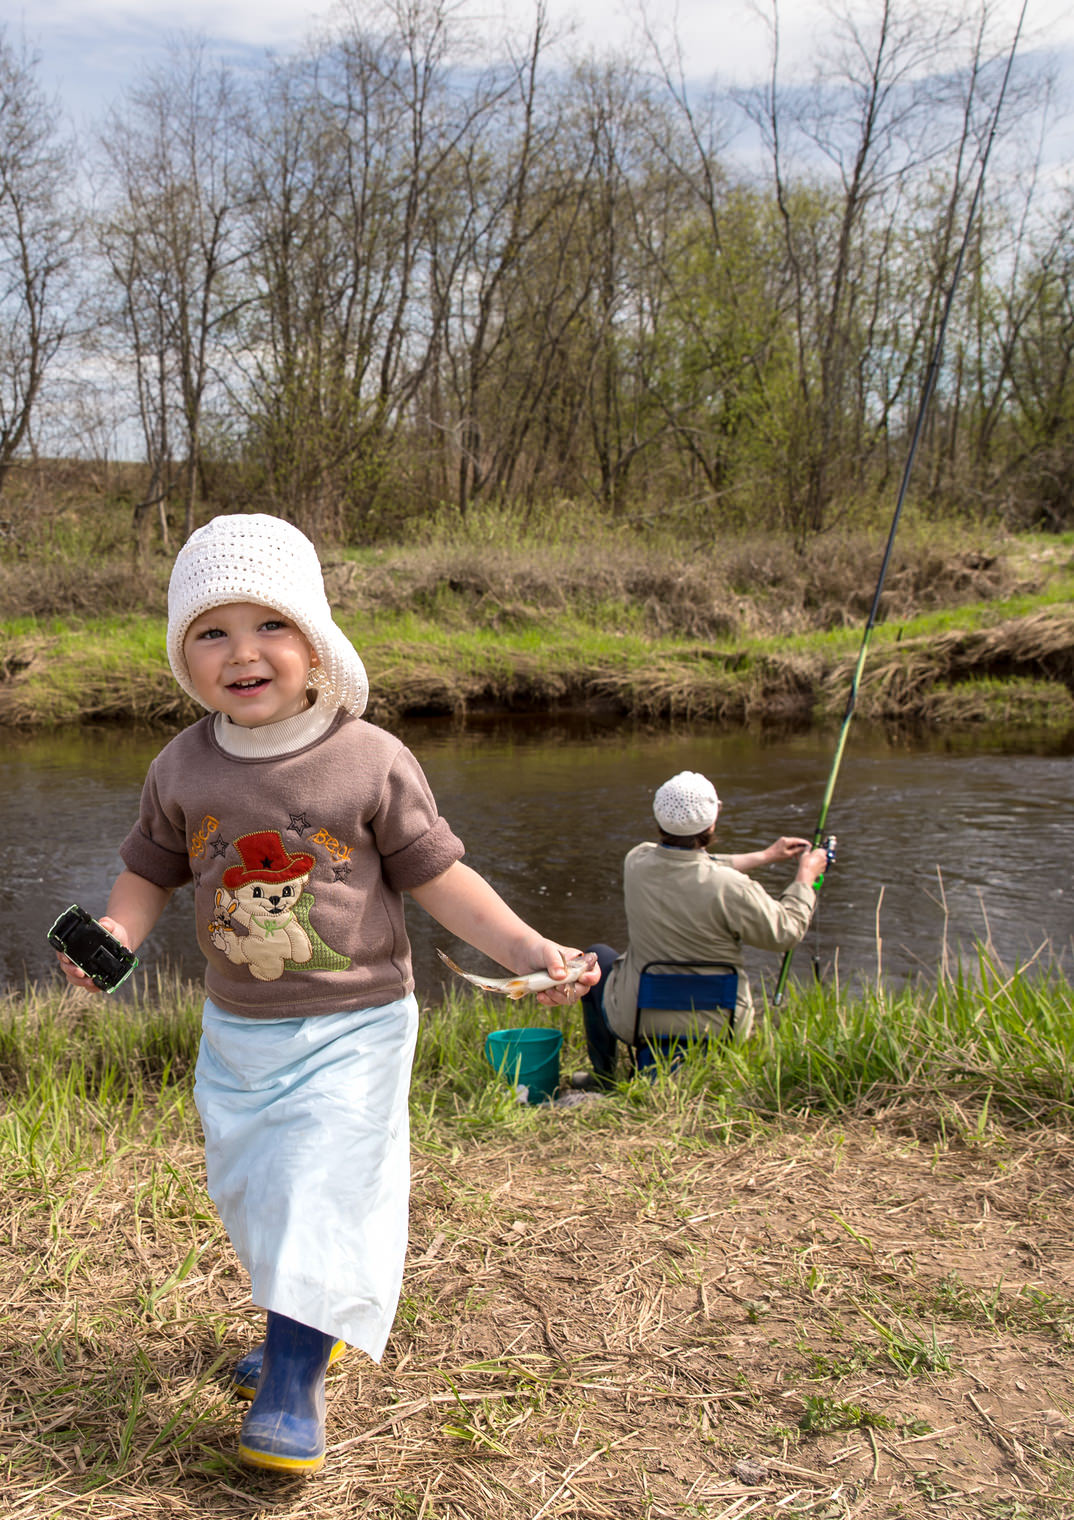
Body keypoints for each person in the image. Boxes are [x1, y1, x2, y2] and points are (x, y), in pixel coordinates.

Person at [54, 513, 599, 1475]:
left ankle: (293, 1383)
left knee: (321, 1182)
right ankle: (303, 1324)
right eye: (211, 633)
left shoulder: (372, 758)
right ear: (185, 656)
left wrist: (530, 944)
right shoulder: (180, 766)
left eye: (270, 626)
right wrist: (116, 935)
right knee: (258, 1190)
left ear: (315, 643)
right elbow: (148, 872)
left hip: (358, 1022)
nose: (242, 653)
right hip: (239, 1026)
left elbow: (439, 878)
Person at [579, 770, 827, 1083]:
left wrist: (767, 856)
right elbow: (787, 932)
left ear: (659, 819)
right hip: (720, 1023)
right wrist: (806, 876)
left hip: (639, 1020)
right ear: (711, 823)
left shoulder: (636, 863)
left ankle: (604, 1077)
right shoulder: (733, 888)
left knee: (596, 956)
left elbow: (689, 864)